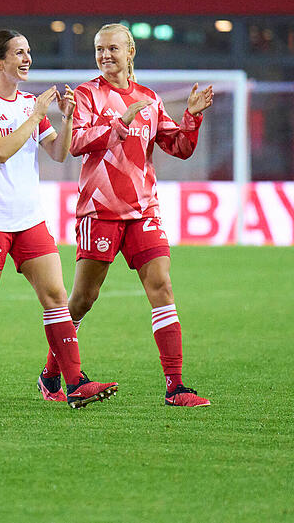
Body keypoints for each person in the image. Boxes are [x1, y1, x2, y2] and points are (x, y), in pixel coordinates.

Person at [38, 23, 214, 407]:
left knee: (162, 287)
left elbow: (178, 146)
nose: (104, 55)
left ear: (130, 52)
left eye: (112, 49)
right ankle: (52, 372)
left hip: (143, 210)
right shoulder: (86, 95)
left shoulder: (149, 98)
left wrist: (192, 118)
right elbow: (76, 142)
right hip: (99, 210)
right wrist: (119, 125)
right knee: (84, 298)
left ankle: (176, 386)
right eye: (99, 49)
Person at [0, 29, 118, 409]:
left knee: (57, 297)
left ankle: (74, 384)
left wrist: (68, 118)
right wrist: (37, 115)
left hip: (29, 218)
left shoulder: (30, 103)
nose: (27, 59)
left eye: (29, 51)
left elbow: (59, 153)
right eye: (18, 53)